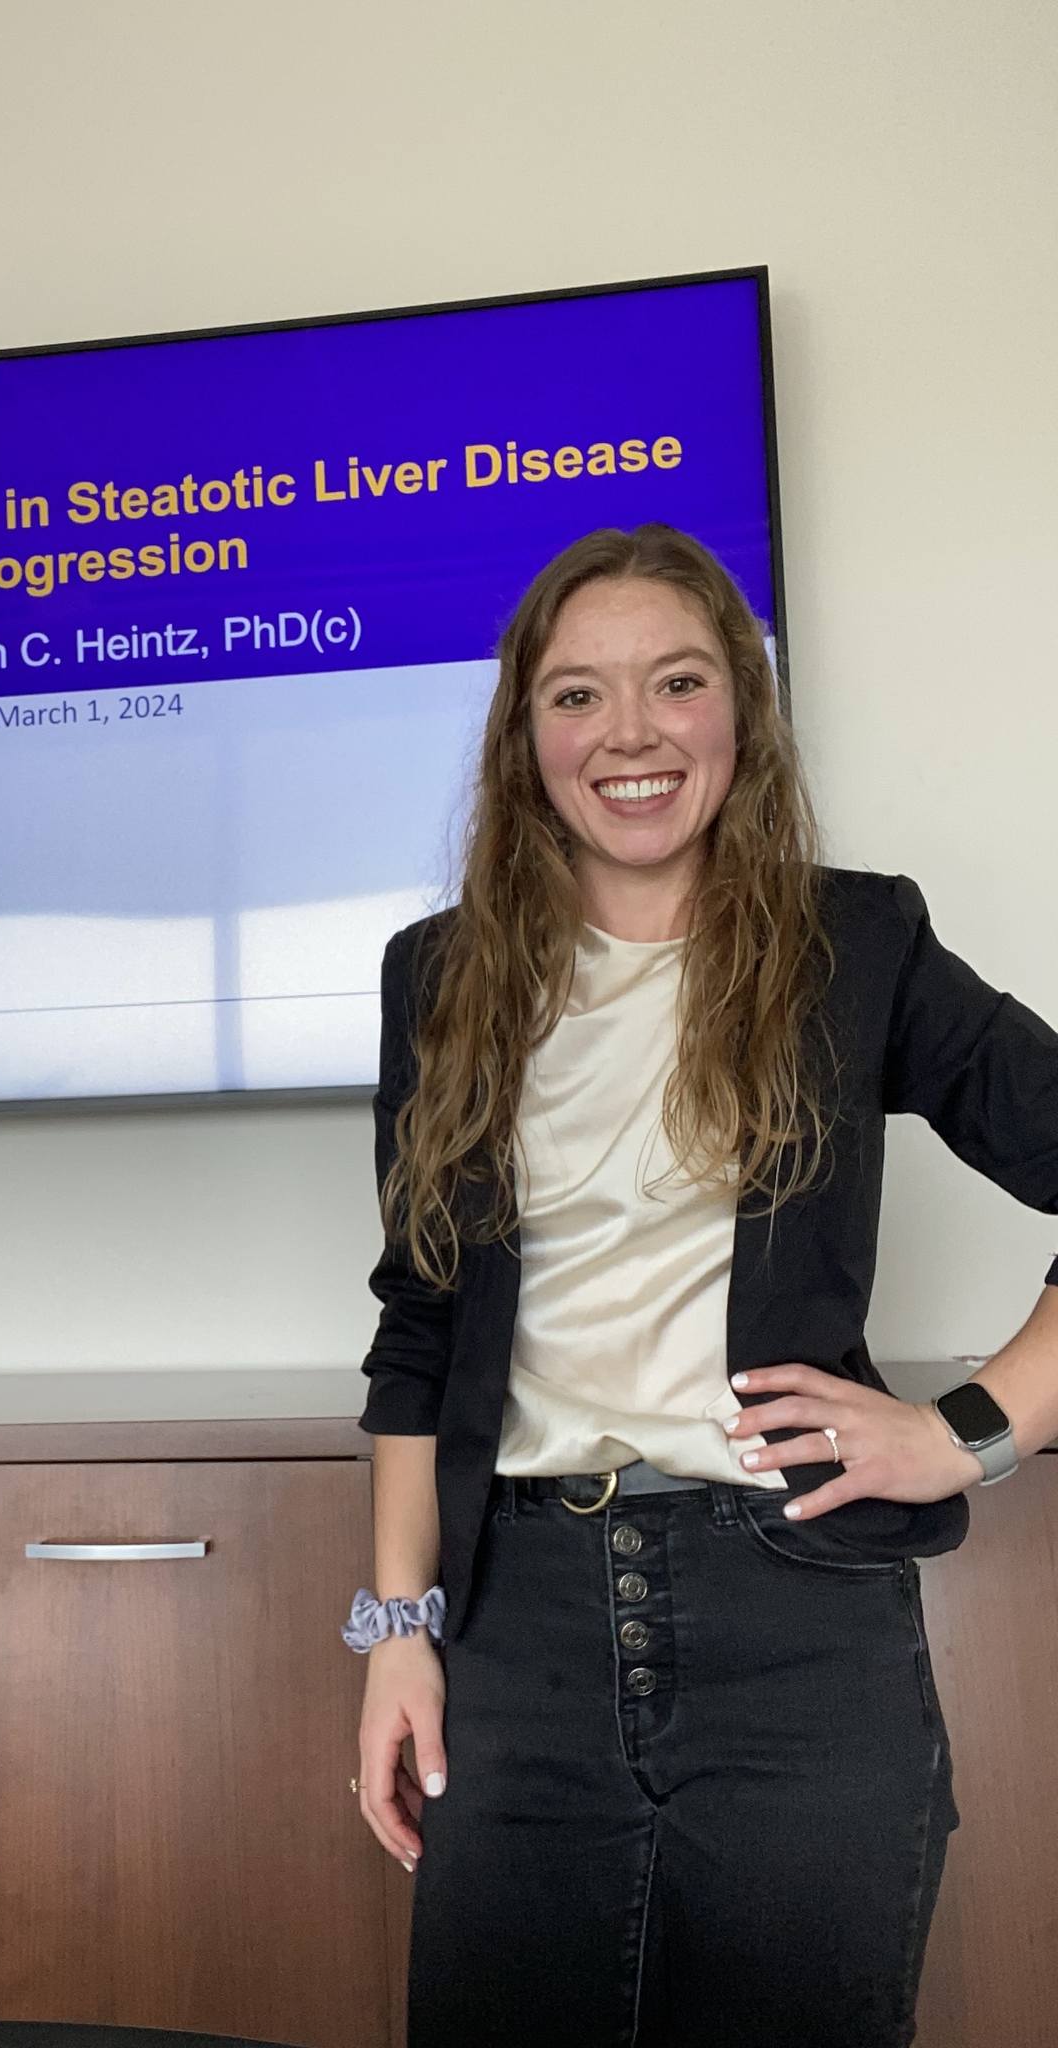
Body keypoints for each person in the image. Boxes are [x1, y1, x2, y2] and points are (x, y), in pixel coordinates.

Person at [342, 524, 1058, 2048]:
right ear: (525, 736)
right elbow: (419, 1332)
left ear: (740, 710)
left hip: (791, 1614)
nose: (632, 735)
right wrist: (395, 1630)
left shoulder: (854, 945)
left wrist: (971, 1431)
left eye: (675, 683)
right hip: (511, 1630)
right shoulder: (441, 975)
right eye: (577, 696)